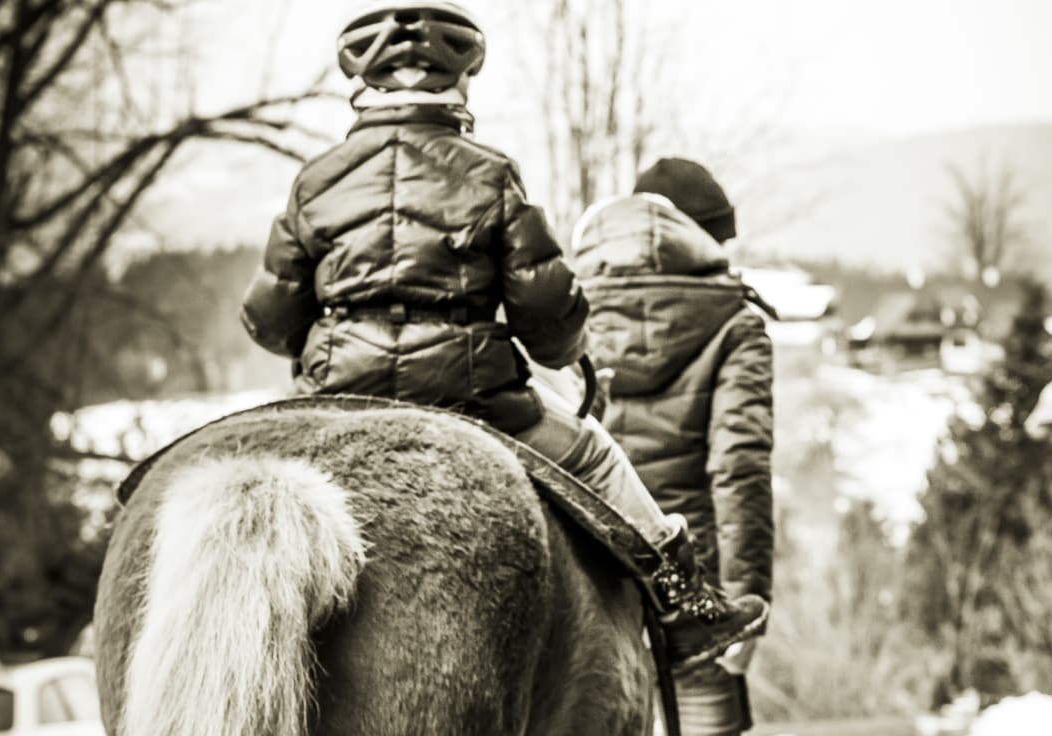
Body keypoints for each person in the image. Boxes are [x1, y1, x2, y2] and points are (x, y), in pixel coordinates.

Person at [239, 2, 765, 669]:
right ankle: (683, 606)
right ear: (459, 84)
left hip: (337, 403)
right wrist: (567, 348)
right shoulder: (490, 175)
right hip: (472, 402)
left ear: (362, 85)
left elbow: (270, 321)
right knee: (598, 456)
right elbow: (546, 320)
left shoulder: (315, 184)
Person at [572, 159, 774, 736]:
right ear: (707, 240)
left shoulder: (573, 313)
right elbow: (739, 467)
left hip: (599, 594)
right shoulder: (735, 321)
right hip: (696, 599)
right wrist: (746, 604)